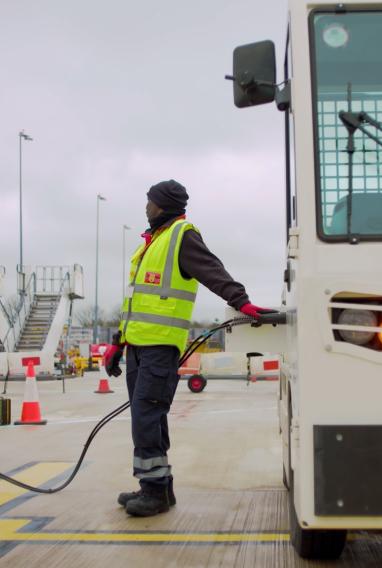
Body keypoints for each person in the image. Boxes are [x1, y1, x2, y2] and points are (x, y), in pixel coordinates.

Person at [104, 179, 270, 517]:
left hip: (160, 349)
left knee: (147, 417)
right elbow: (134, 302)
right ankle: (158, 486)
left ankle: (154, 492)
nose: (145, 207)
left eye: (149, 202)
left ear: (162, 205)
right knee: (146, 417)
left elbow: (212, 271)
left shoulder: (182, 236)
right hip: (137, 347)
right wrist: (117, 344)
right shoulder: (151, 243)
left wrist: (242, 301)